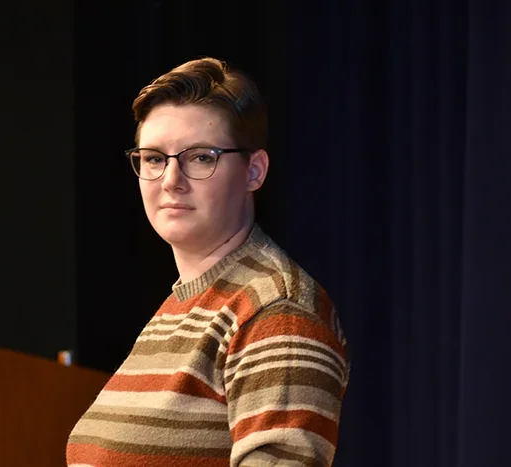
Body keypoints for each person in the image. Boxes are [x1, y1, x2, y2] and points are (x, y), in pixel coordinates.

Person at [67, 57, 350, 467]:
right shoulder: (186, 306)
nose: (170, 179)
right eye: (153, 158)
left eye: (200, 157)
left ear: (254, 171)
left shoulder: (275, 309)